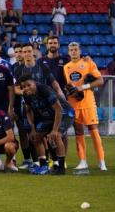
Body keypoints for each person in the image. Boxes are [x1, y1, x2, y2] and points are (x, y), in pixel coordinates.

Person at [63, 42, 107, 172]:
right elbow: (70, 85)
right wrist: (71, 91)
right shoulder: (66, 67)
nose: (73, 52)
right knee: (78, 132)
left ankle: (101, 161)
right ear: (68, 52)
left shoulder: (88, 62)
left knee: (94, 131)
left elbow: (100, 81)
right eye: (71, 50)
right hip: (74, 104)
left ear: (80, 50)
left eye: (75, 49)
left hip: (88, 103)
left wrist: (82, 87)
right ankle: (83, 161)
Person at [19, 75, 74, 175]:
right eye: (23, 87)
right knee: (36, 137)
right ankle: (43, 166)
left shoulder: (45, 90)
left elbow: (59, 109)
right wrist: (32, 129)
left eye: (28, 85)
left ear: (34, 83)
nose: (26, 88)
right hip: (48, 115)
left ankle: (61, 168)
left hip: (65, 112)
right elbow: (28, 111)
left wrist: (54, 130)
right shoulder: (26, 95)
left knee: (56, 136)